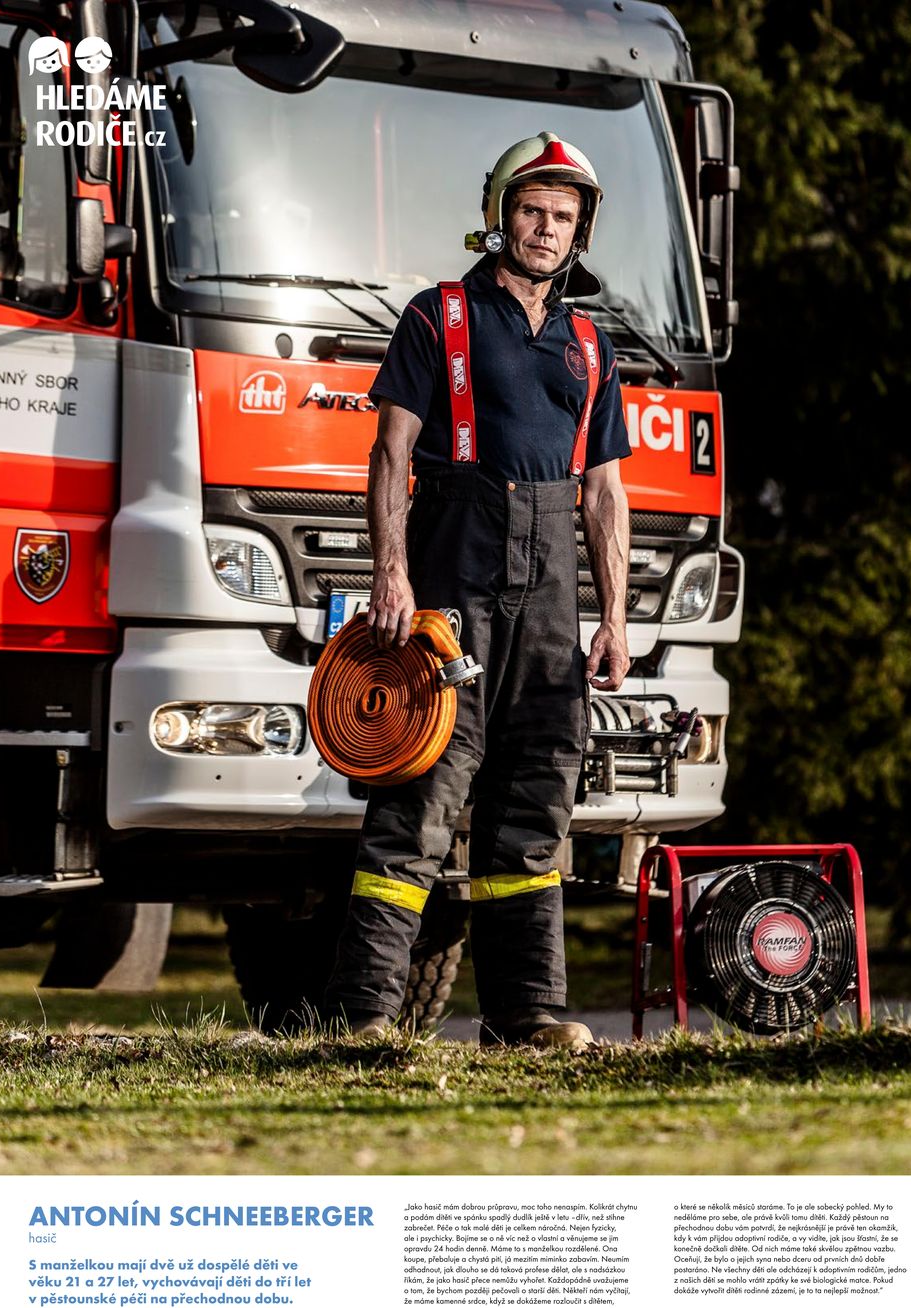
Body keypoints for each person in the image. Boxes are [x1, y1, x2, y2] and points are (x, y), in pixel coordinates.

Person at [324, 132, 631, 1048]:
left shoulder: (588, 343)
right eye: (532, 211)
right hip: (455, 576)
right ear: (500, 214)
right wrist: (391, 571)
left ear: (579, 234)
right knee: (419, 793)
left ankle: (524, 1014)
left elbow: (605, 492)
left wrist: (613, 619)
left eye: (562, 217)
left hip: (550, 607)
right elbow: (389, 451)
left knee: (535, 803)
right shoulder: (439, 317)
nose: (545, 229)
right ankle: (365, 1017)